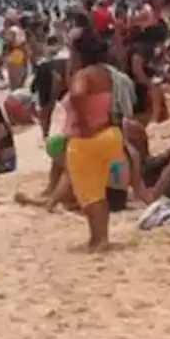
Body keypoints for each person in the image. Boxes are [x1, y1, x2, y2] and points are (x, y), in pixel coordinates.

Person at [65, 32, 126, 251]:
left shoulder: (83, 75)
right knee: (99, 191)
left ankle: (99, 238)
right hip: (109, 133)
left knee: (88, 193)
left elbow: (77, 94)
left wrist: (82, 121)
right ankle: (99, 237)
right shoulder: (106, 73)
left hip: (87, 139)